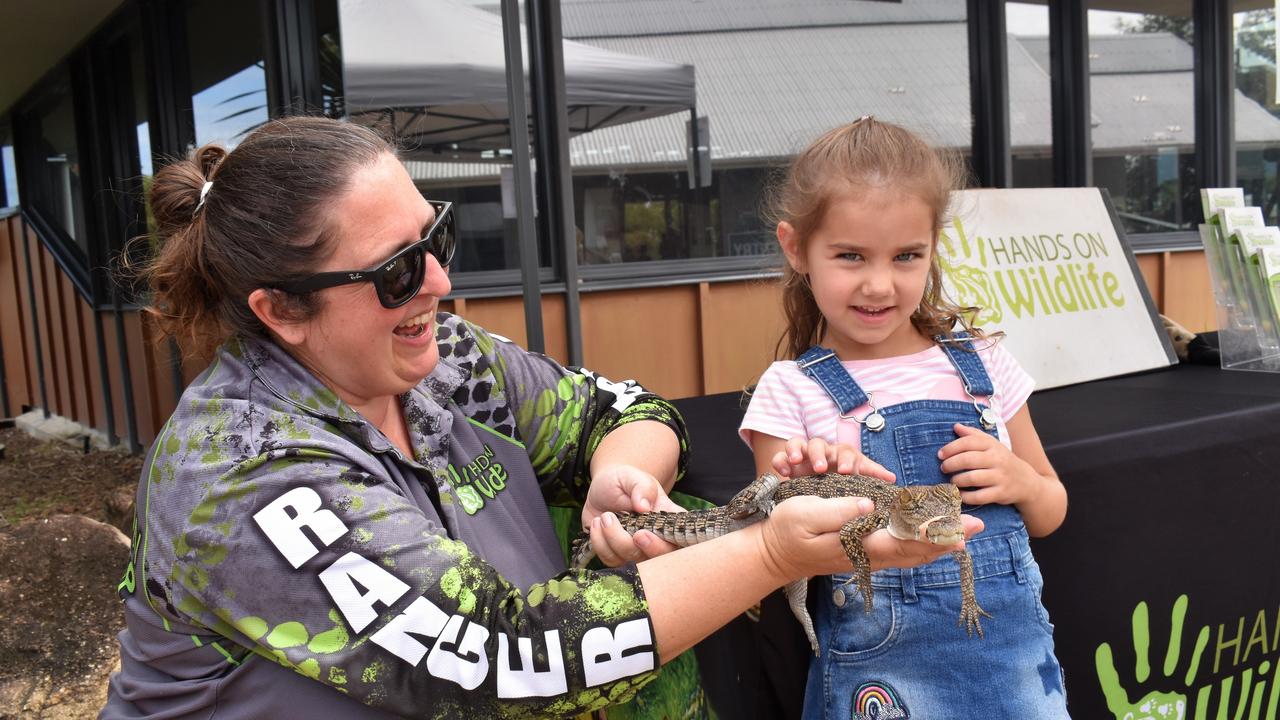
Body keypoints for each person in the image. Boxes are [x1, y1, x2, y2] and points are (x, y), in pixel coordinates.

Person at [101, 115, 981, 719]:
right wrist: (771, 553)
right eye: (397, 271)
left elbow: (625, 409)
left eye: (434, 240)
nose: (442, 286)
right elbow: (503, 661)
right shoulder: (241, 474)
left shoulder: (439, 363)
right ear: (280, 311)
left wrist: (616, 473)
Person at [739, 117, 1070, 720]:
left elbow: (1051, 509)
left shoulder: (985, 363)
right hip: (879, 680)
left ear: (933, 246)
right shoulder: (790, 391)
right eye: (850, 255)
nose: (879, 284)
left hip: (1014, 670)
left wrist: (1022, 483)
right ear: (796, 248)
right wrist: (811, 487)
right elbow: (779, 553)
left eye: (906, 256)